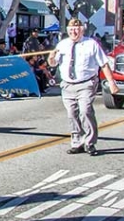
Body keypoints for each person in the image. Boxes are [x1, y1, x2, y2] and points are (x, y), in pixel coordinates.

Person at [48, 17, 119, 156]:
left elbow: (104, 64)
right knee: (72, 114)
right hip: (67, 85)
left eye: (77, 29)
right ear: (68, 30)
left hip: (86, 83)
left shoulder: (91, 44)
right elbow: (53, 64)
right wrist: (51, 58)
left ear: (82, 30)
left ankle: (90, 142)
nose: (74, 32)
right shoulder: (62, 45)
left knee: (85, 111)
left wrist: (112, 83)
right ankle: (77, 142)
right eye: (71, 29)